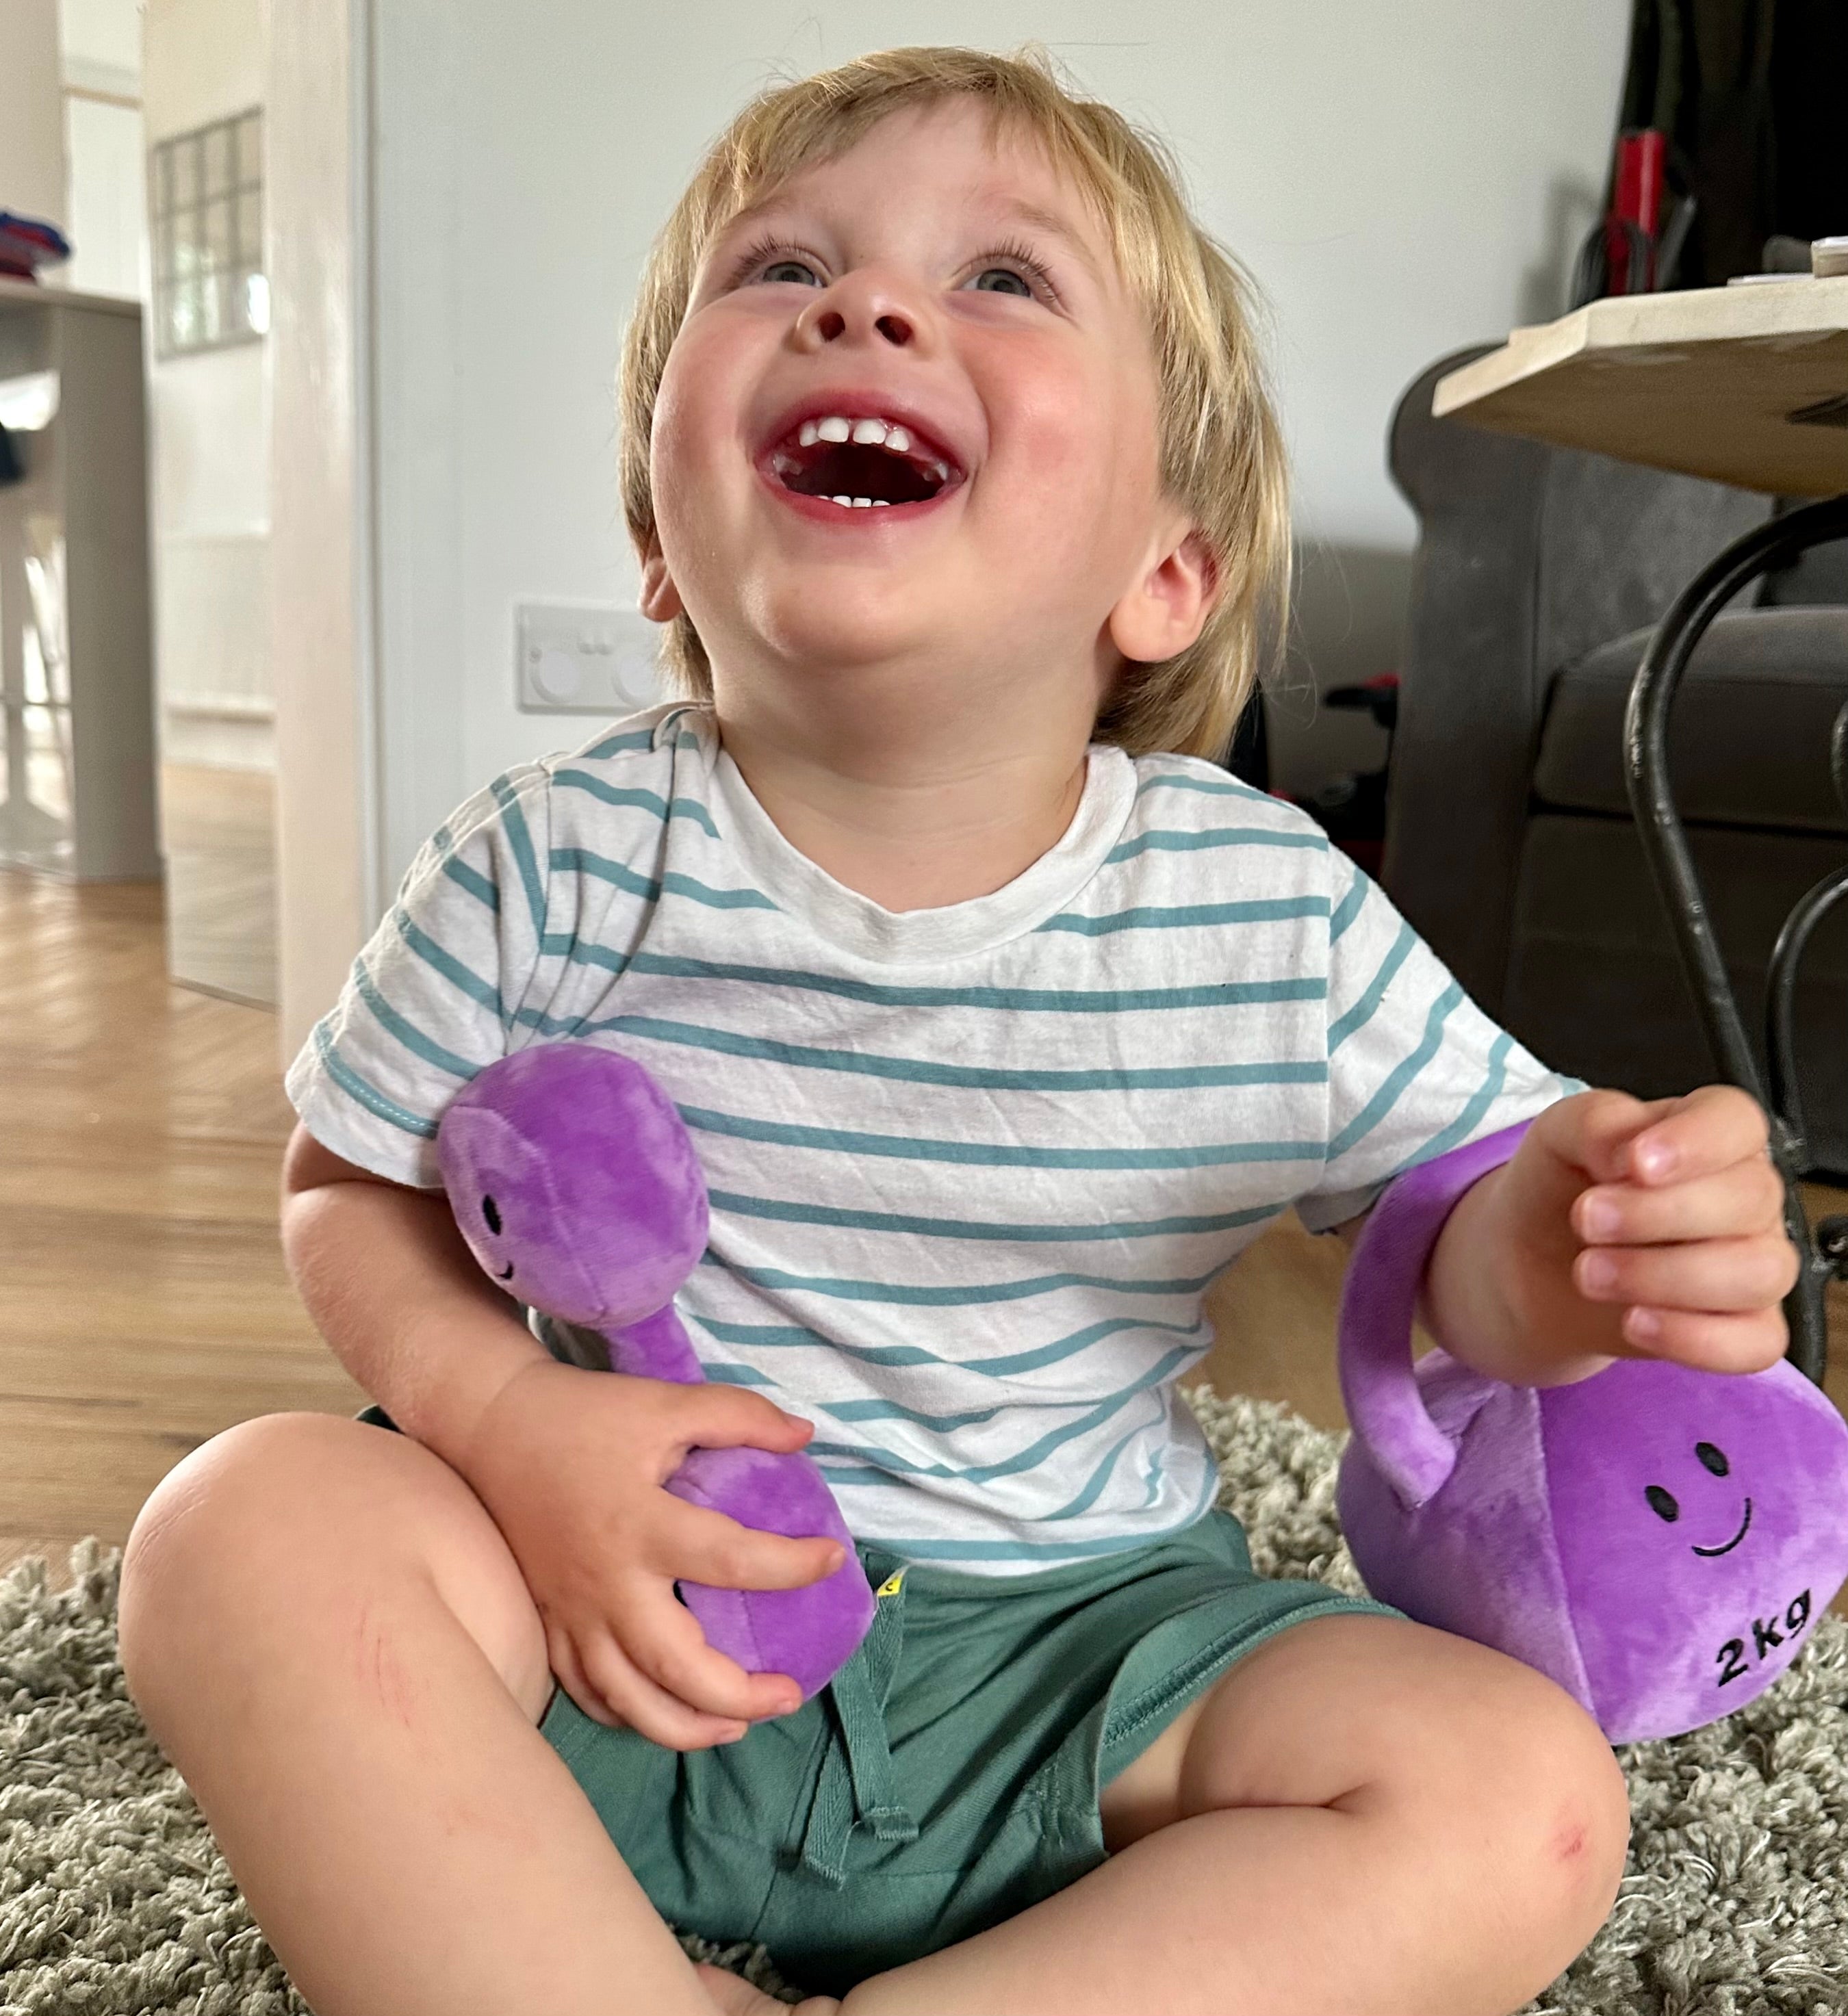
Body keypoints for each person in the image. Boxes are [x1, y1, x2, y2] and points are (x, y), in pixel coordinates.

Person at [115, 46, 1797, 2016]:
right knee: (242, 1531)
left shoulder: (1264, 908)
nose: (867, 304)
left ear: (1163, 572)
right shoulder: (548, 859)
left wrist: (1591, 1240)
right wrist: (507, 1423)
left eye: (1001, 279)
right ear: (662, 544)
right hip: (606, 1597)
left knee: (1523, 1796)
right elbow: (344, 1182)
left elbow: (1454, 1264)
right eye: (780, 270)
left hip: (1088, 1664)